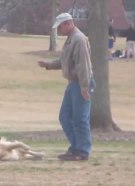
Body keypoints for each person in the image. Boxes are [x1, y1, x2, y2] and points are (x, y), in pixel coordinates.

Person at [38, 12, 95, 161]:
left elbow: (84, 65)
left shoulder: (79, 39)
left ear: (69, 23)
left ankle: (82, 151)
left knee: (80, 119)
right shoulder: (71, 40)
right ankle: (75, 147)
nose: (59, 30)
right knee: (65, 117)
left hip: (82, 82)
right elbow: (65, 61)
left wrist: (84, 87)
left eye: (61, 27)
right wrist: (49, 65)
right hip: (73, 83)